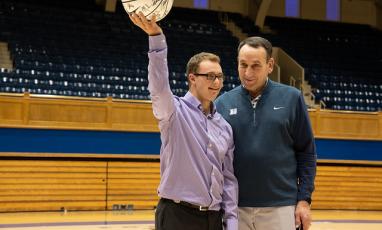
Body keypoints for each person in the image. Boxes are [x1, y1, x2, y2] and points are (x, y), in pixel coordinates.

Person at [128, 12, 238, 230]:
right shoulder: (173, 112)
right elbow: (159, 88)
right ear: (192, 77)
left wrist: (232, 221)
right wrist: (156, 39)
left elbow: (229, 179)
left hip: (214, 219)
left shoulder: (224, 127)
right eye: (210, 76)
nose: (216, 82)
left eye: (220, 76)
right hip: (177, 216)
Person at [215, 36, 317, 230]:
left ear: (270, 65)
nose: (248, 72)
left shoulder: (292, 98)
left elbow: (307, 153)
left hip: (281, 207)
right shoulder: (222, 103)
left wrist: (304, 200)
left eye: (255, 66)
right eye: (243, 65)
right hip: (235, 208)